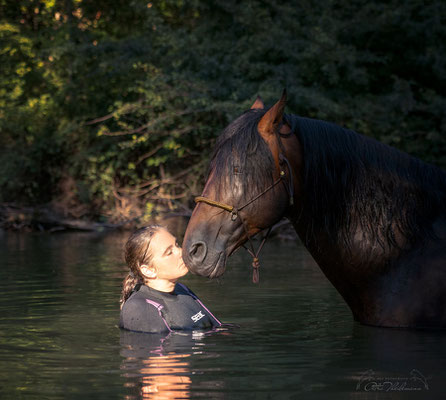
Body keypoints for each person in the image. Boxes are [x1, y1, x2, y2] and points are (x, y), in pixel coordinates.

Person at [119, 225, 221, 333]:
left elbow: (218, 327)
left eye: (177, 245)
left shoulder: (182, 289)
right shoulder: (139, 307)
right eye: (169, 252)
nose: (181, 252)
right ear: (148, 270)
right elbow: (162, 347)